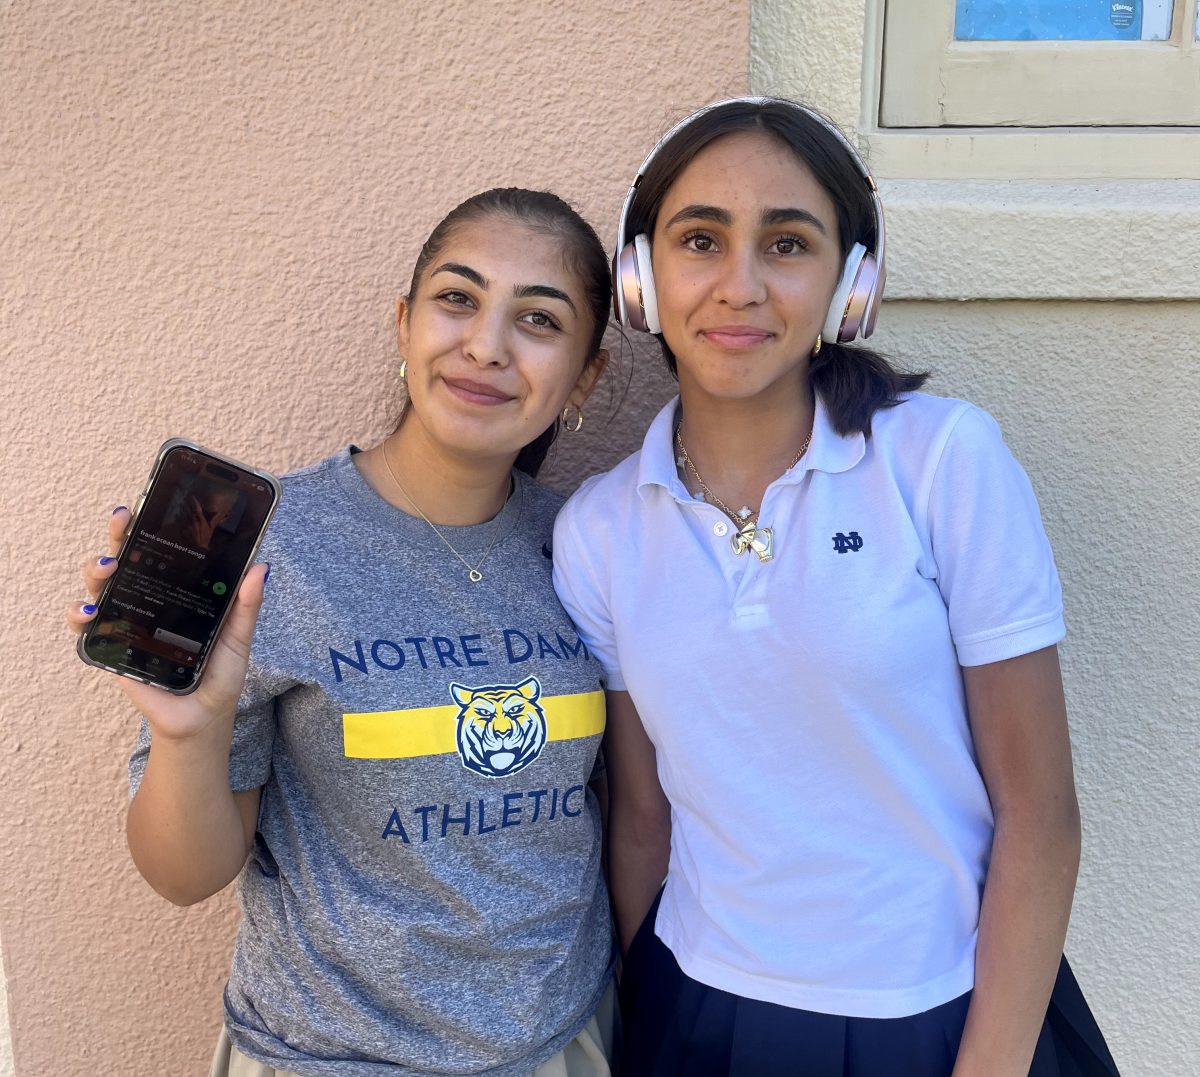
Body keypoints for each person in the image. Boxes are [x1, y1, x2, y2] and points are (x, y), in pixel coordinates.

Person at [551, 99, 1120, 1077]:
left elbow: (1040, 813)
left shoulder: (943, 463)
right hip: (699, 1012)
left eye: (787, 243)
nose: (740, 285)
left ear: (850, 286)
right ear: (642, 278)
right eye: (699, 240)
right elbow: (643, 819)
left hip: (940, 1014)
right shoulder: (598, 530)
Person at [70, 187, 616, 1077]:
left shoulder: (597, 543)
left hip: (561, 1045)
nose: (486, 345)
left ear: (585, 376)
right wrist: (190, 734)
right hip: (327, 1057)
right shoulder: (271, 548)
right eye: (456, 299)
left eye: (540, 320)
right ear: (404, 326)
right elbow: (184, 874)